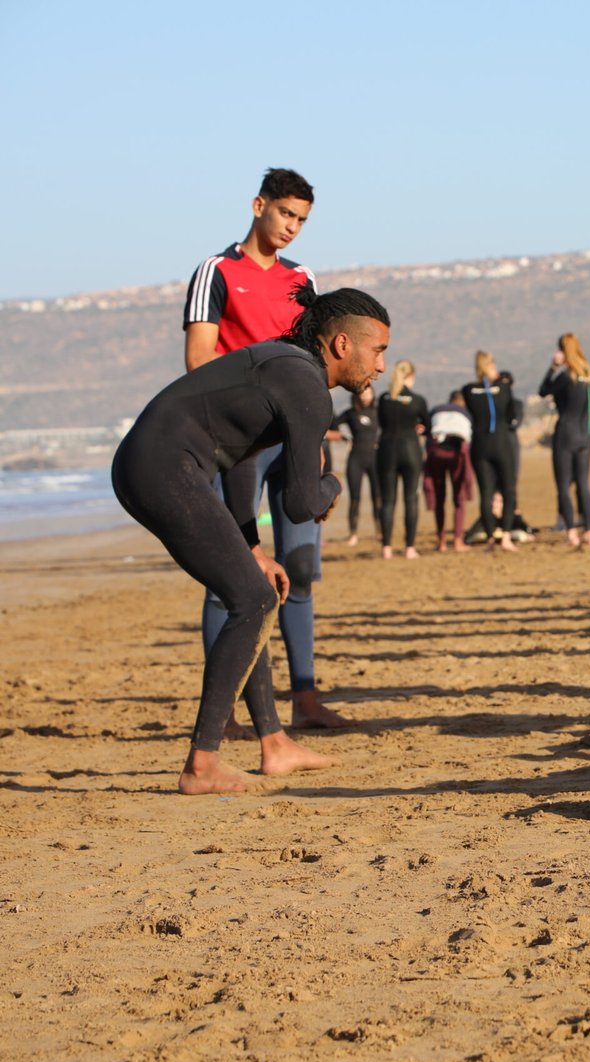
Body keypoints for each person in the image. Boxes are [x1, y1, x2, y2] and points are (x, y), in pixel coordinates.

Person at [114, 286, 391, 794]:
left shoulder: (286, 366)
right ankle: (202, 765)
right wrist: (336, 484)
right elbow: (301, 503)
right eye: (379, 352)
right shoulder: (307, 385)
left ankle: (274, 744)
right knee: (252, 598)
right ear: (343, 345)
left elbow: (240, 463)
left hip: (151, 461)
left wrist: (254, 549)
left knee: (258, 590)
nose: (381, 367)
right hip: (163, 466)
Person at [182, 167, 347, 731]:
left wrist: (318, 437)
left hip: (293, 442)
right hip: (236, 447)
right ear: (258, 206)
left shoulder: (303, 277)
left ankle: (304, 698)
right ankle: (224, 711)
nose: (293, 227)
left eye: (302, 219)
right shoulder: (216, 271)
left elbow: (315, 365)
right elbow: (199, 362)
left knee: (299, 569)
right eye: (285, 214)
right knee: (231, 576)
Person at [540, 333, 590, 548]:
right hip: (585, 435)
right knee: (583, 484)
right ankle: (589, 532)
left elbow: (543, 391)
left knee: (564, 486)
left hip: (565, 434)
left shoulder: (566, 377)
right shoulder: (589, 375)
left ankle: (572, 533)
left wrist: (553, 367)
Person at [462, 350, 520, 552]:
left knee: (486, 492)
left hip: (480, 445)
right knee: (508, 490)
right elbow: (511, 413)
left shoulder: (468, 390)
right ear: (491, 366)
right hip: (502, 443)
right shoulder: (504, 388)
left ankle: (489, 540)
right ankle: (505, 536)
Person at [376, 360, 427, 560]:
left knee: (388, 501)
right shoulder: (417, 400)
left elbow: (382, 422)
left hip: (387, 450)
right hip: (410, 450)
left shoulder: (384, 398)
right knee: (411, 499)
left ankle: (386, 548)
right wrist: (420, 427)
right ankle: (409, 548)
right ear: (411, 377)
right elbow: (427, 424)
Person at [423, 390, 474, 551]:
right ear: (463, 402)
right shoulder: (466, 412)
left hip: (436, 453)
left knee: (440, 498)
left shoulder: (437, 409)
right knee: (458, 498)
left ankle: (441, 542)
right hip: (456, 453)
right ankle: (458, 540)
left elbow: (427, 431)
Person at [331, 385, 379, 546]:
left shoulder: (378, 412)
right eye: (362, 392)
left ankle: (379, 531)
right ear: (356, 395)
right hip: (355, 459)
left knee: (377, 497)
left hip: (374, 459)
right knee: (355, 498)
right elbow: (333, 424)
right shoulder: (351, 413)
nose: (365, 396)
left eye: (368, 392)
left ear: (373, 394)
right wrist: (344, 437)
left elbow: (393, 425)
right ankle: (353, 534)